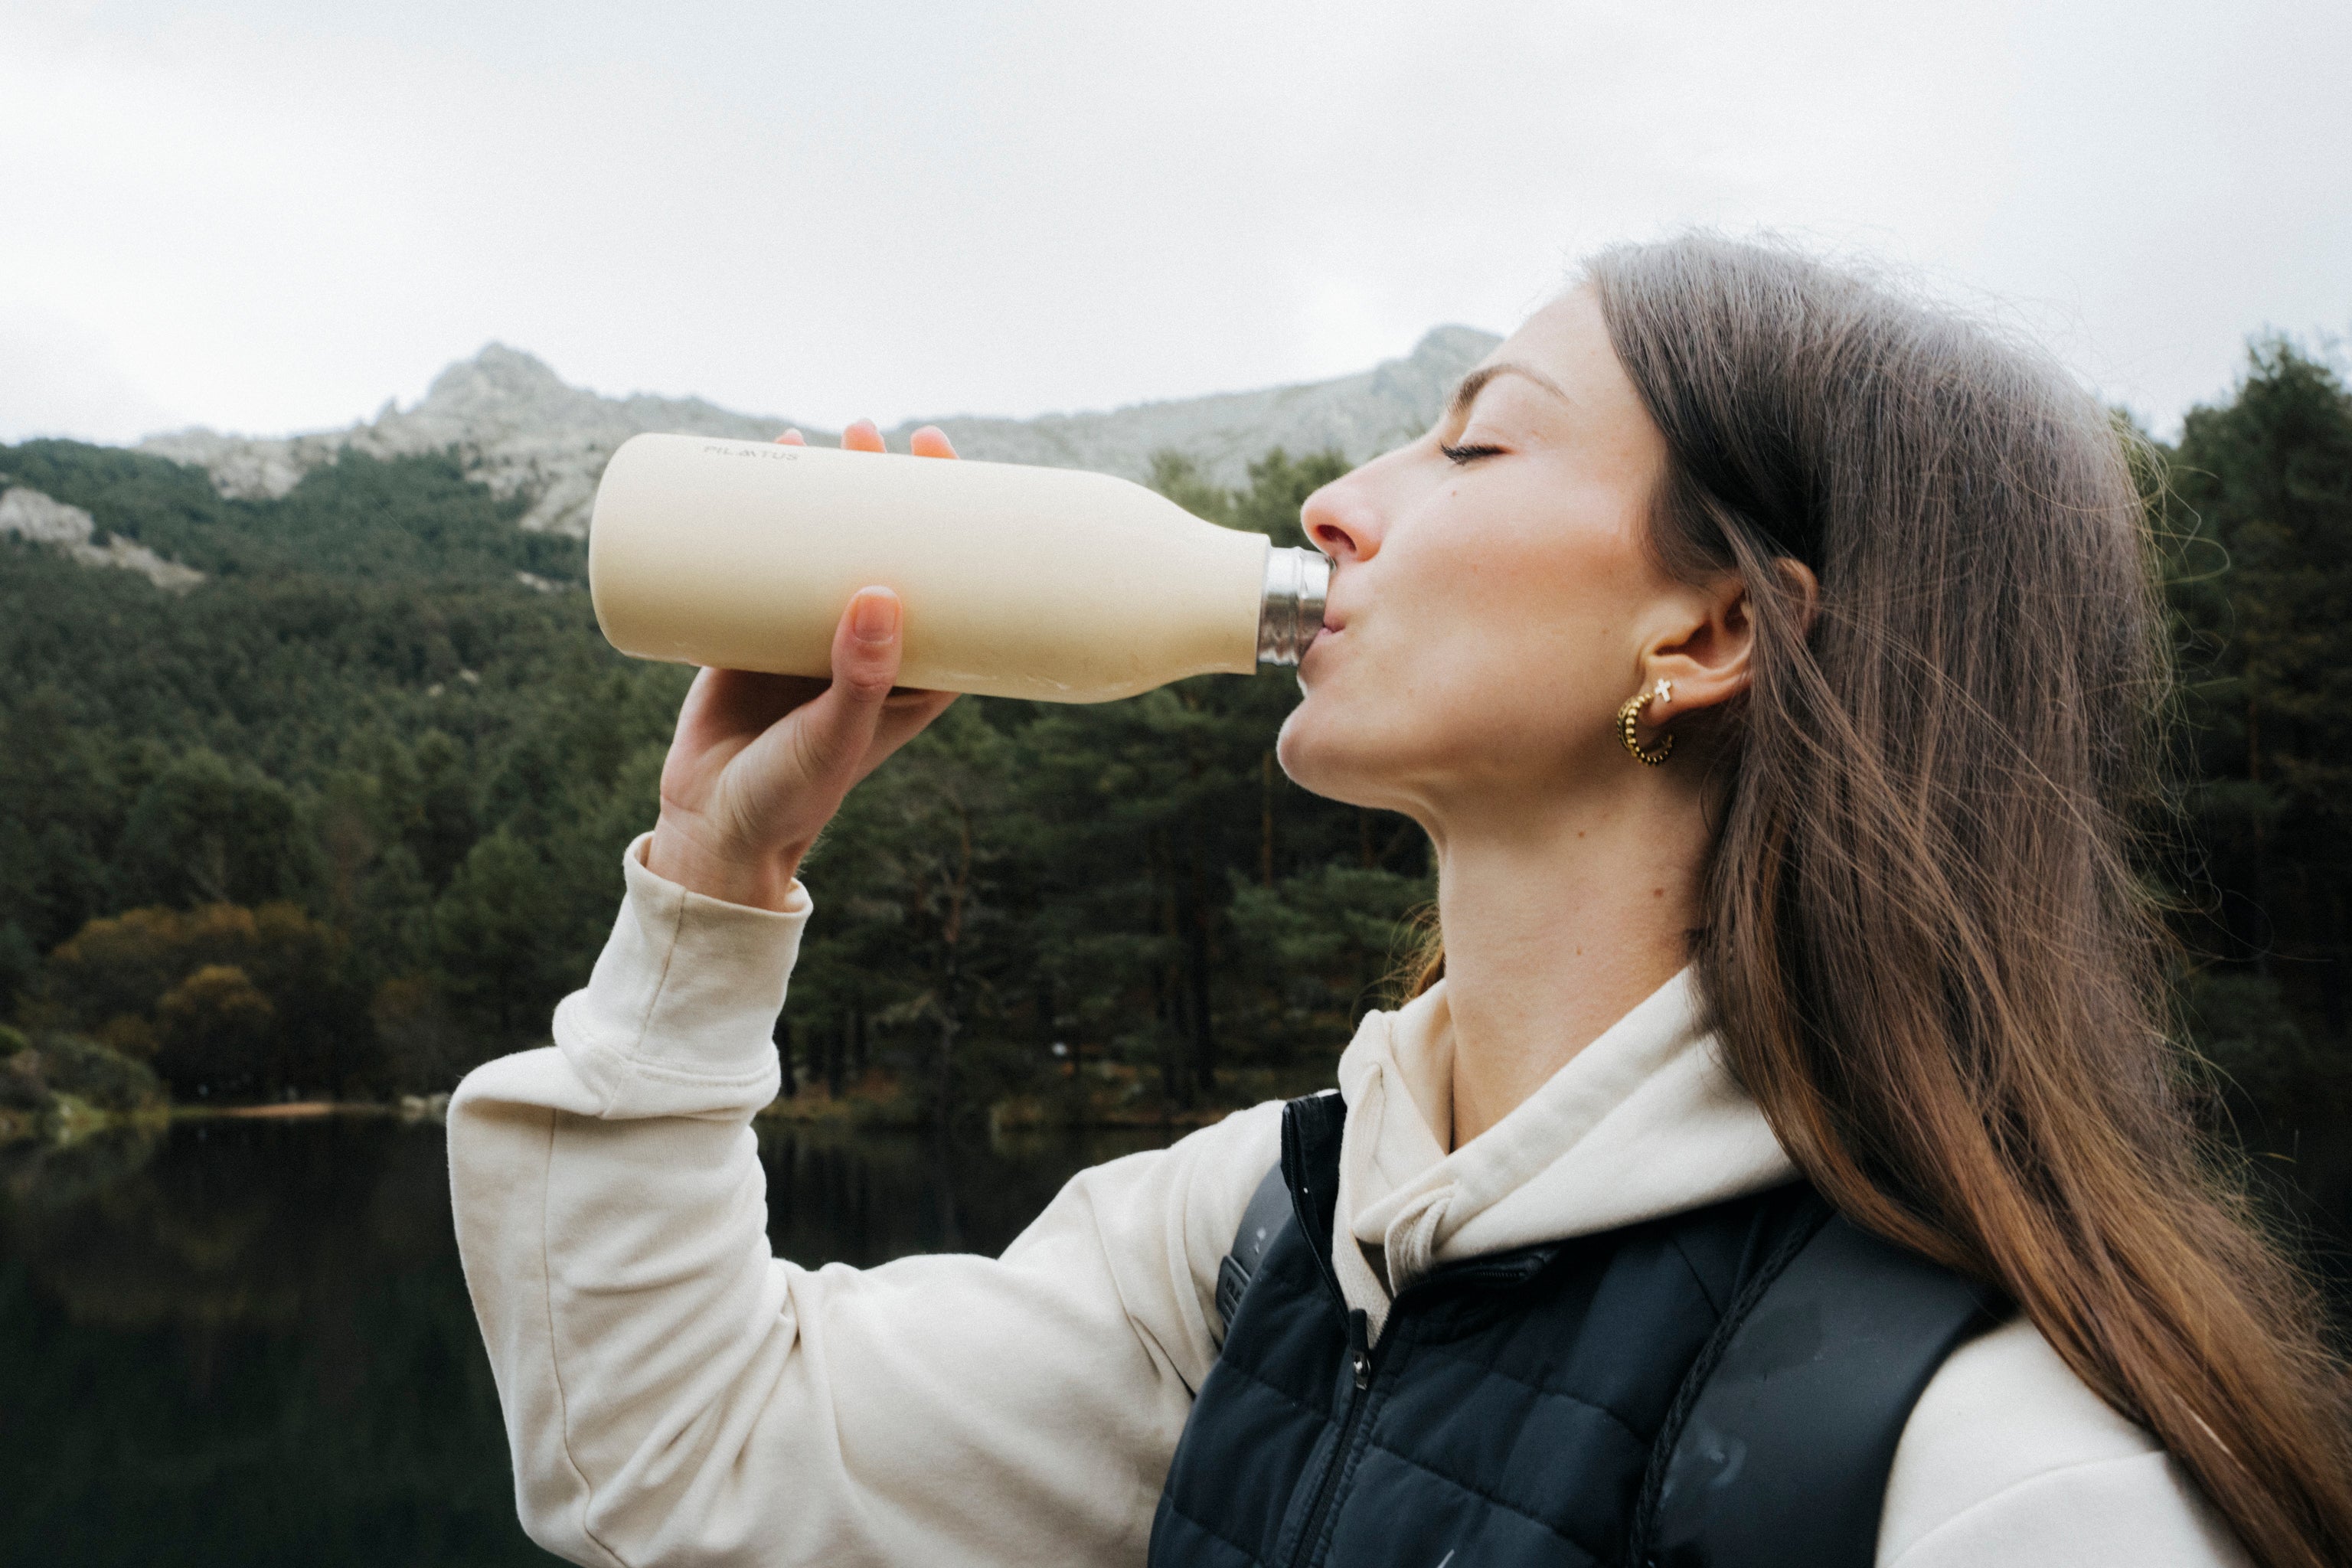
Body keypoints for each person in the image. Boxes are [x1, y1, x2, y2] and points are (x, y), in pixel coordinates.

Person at [448, 235, 2352, 1568]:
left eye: (1475, 439)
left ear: (1709, 630)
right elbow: (673, 1459)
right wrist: (715, 871)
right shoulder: (1262, 1239)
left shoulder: (2003, 1480)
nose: (1339, 500)